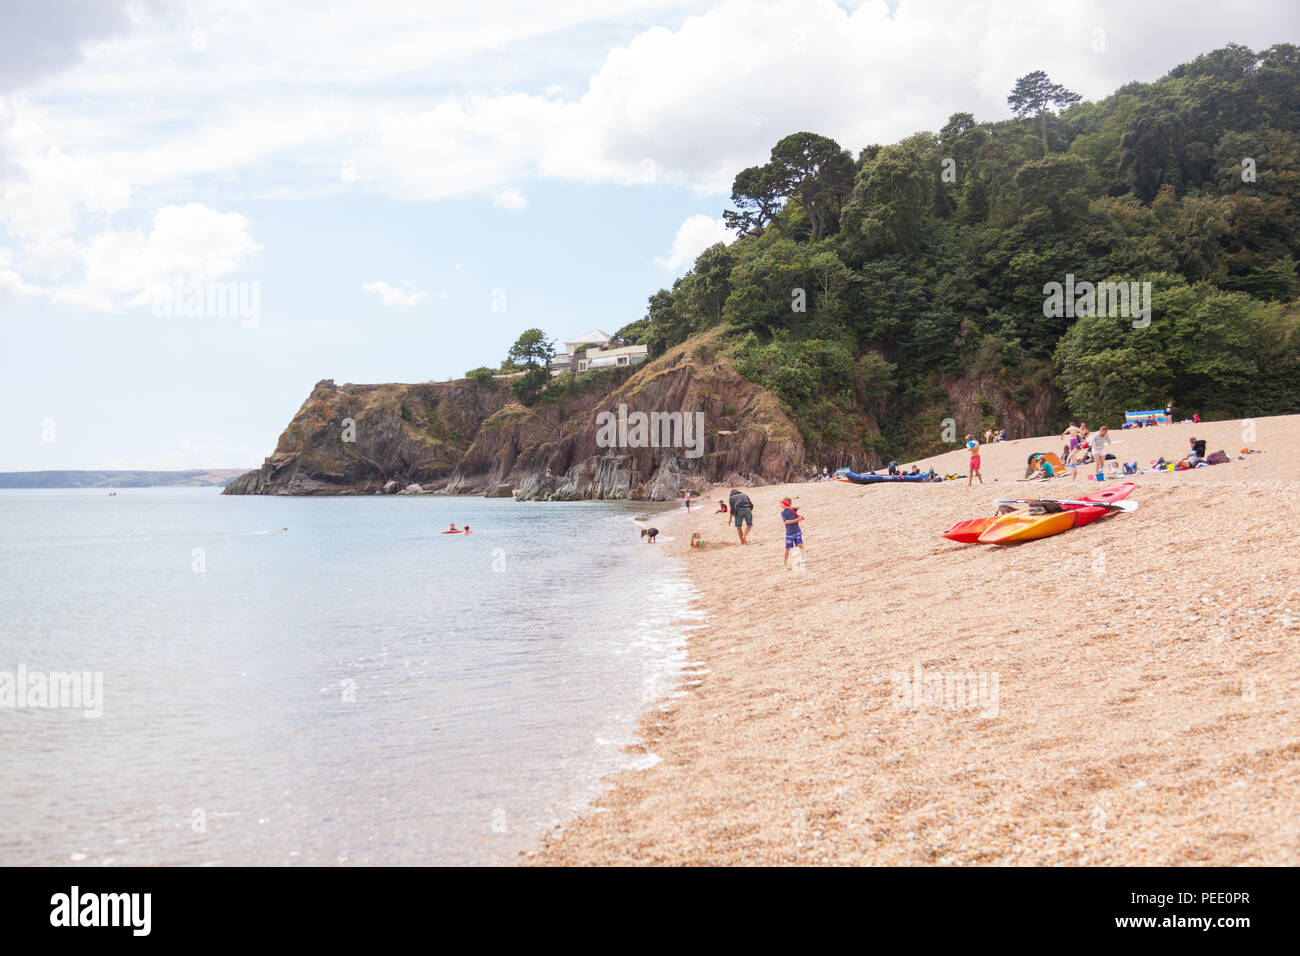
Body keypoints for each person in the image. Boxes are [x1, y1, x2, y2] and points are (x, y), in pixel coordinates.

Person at [780, 498, 804, 568]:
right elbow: (786, 522)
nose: (780, 505)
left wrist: (789, 507)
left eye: (782, 503)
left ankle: (803, 559)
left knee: (800, 545)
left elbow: (799, 507)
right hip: (789, 534)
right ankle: (785, 562)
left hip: (797, 531)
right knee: (787, 549)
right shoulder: (783, 513)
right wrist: (797, 520)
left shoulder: (792, 510)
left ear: (786, 503)